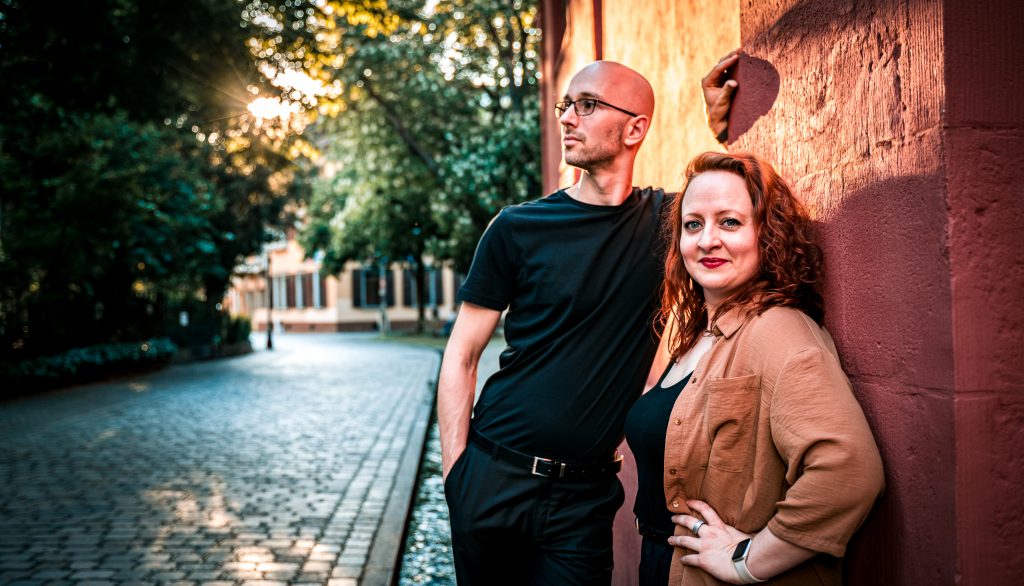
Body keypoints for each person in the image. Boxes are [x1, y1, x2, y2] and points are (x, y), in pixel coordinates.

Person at [437, 59, 665, 585]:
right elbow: (463, 355)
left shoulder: (669, 224)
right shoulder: (516, 227)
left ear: (635, 129)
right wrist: (457, 476)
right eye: (567, 105)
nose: (566, 117)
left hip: (585, 499)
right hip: (495, 476)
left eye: (587, 105)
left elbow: (733, 203)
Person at [624, 151, 884, 585]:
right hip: (664, 567)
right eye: (693, 225)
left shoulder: (779, 330)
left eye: (730, 222)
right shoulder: (696, 334)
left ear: (767, 233)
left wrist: (747, 560)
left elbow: (850, 470)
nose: (707, 240)